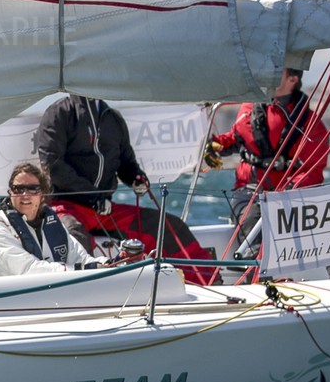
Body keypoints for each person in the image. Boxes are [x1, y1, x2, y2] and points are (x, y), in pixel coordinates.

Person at [34, 94, 214, 277]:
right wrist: (93, 197)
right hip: (65, 206)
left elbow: (126, 163)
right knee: (73, 235)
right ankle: (83, 288)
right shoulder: (59, 113)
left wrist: (136, 178)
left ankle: (208, 280)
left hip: (104, 209)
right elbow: (52, 166)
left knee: (169, 226)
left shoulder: (112, 118)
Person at [204, 67, 330, 272]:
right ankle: (255, 277)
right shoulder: (248, 107)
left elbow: (313, 170)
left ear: (292, 79)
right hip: (249, 189)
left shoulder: (310, 124)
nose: (269, 76)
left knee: (329, 224)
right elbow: (237, 137)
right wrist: (215, 146)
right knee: (251, 220)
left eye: (277, 72)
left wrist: (287, 191)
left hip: (289, 195)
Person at [0, 163, 96, 276]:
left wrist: (102, 264)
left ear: (42, 195)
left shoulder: (53, 222)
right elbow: (28, 270)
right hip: (8, 289)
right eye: (18, 189)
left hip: (51, 286)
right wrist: (75, 270)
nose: (25, 195)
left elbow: (82, 259)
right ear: (10, 193)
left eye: (33, 189)